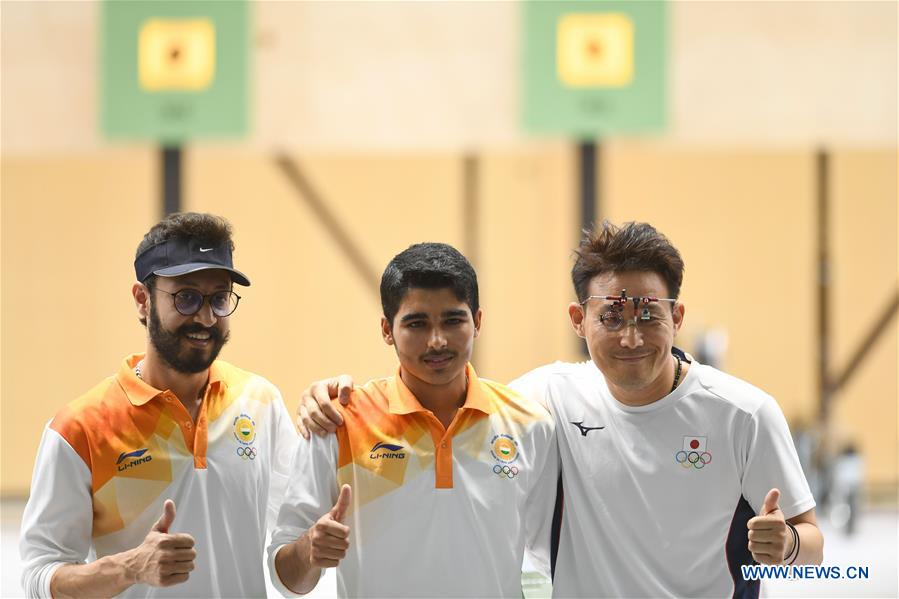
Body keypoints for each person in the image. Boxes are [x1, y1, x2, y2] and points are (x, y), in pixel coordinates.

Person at [296, 222, 824, 598]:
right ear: (578, 319)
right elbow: (447, 390)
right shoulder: (544, 399)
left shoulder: (744, 413)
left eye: (648, 313)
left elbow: (815, 549)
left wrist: (789, 547)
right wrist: (329, 394)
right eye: (611, 317)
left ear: (677, 314)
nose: (631, 336)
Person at [20, 213, 298, 598]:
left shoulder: (261, 402)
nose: (205, 317)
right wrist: (130, 567)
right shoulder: (79, 429)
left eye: (219, 299)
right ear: (142, 301)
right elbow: (38, 578)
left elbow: (293, 538)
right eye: (185, 297)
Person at [268, 243, 557, 597]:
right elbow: (286, 578)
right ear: (387, 330)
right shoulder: (338, 422)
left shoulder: (530, 425)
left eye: (453, 320)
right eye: (416, 323)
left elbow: (553, 560)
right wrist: (310, 550)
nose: (437, 341)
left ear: (477, 321)